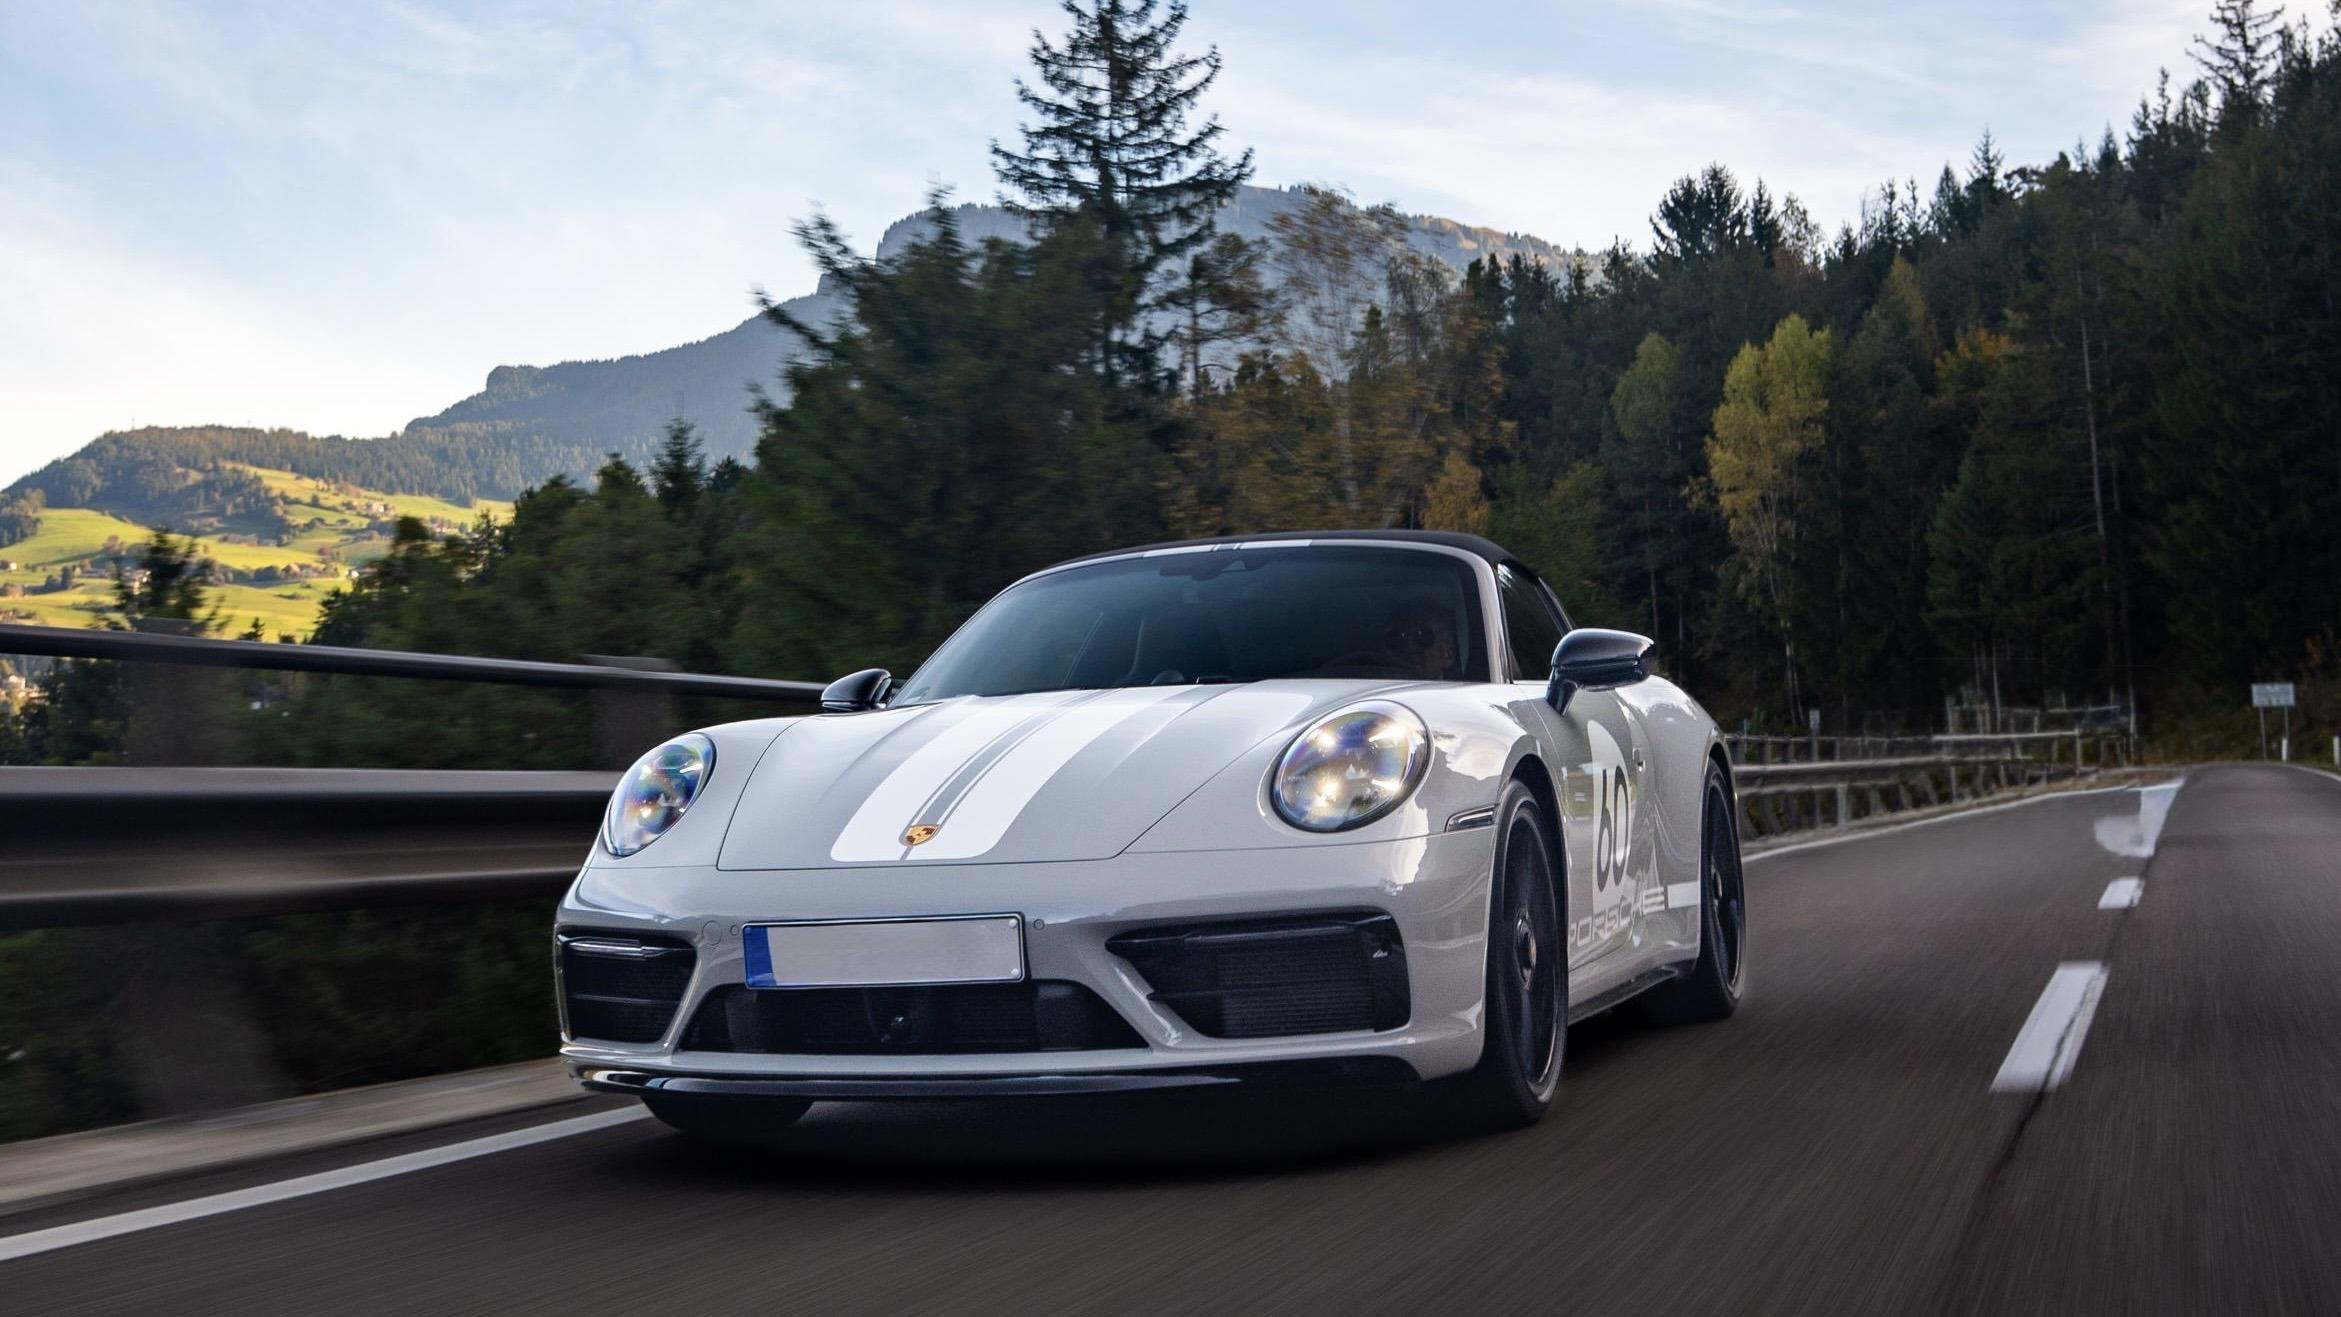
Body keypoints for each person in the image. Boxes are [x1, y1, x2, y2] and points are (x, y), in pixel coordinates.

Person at [1385, 602, 1459, 680]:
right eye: (1400, 637)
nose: (1409, 645)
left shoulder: (1461, 687)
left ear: (1448, 653)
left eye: (1423, 637)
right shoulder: (1381, 683)